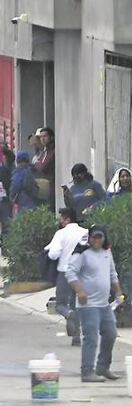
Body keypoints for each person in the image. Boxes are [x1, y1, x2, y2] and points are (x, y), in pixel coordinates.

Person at [66, 224, 122, 383]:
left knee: (110, 333)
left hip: (104, 304)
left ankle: (103, 367)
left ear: (104, 238)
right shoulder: (83, 254)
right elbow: (70, 272)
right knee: (91, 337)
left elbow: (113, 274)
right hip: (88, 305)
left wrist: (118, 291)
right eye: (94, 237)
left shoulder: (106, 252)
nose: (97, 240)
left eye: (100, 237)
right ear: (89, 238)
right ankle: (87, 371)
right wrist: (80, 291)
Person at [44, 208, 89, 346]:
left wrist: (50, 254)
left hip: (65, 272)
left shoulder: (61, 233)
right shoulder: (86, 232)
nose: (60, 221)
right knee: (76, 304)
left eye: (62, 218)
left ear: (67, 219)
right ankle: (76, 336)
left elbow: (54, 254)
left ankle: (69, 315)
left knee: (61, 305)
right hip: (82, 272)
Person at [9, 151, 41, 215]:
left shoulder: (19, 172)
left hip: (23, 203)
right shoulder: (33, 170)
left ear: (17, 161)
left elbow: (15, 184)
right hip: (36, 202)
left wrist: (11, 196)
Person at [32, 127, 55, 208]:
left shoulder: (52, 151)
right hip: (44, 187)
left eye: (44, 136)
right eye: (40, 137)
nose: (42, 139)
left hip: (51, 185)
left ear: (51, 137)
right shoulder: (44, 151)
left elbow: (43, 166)